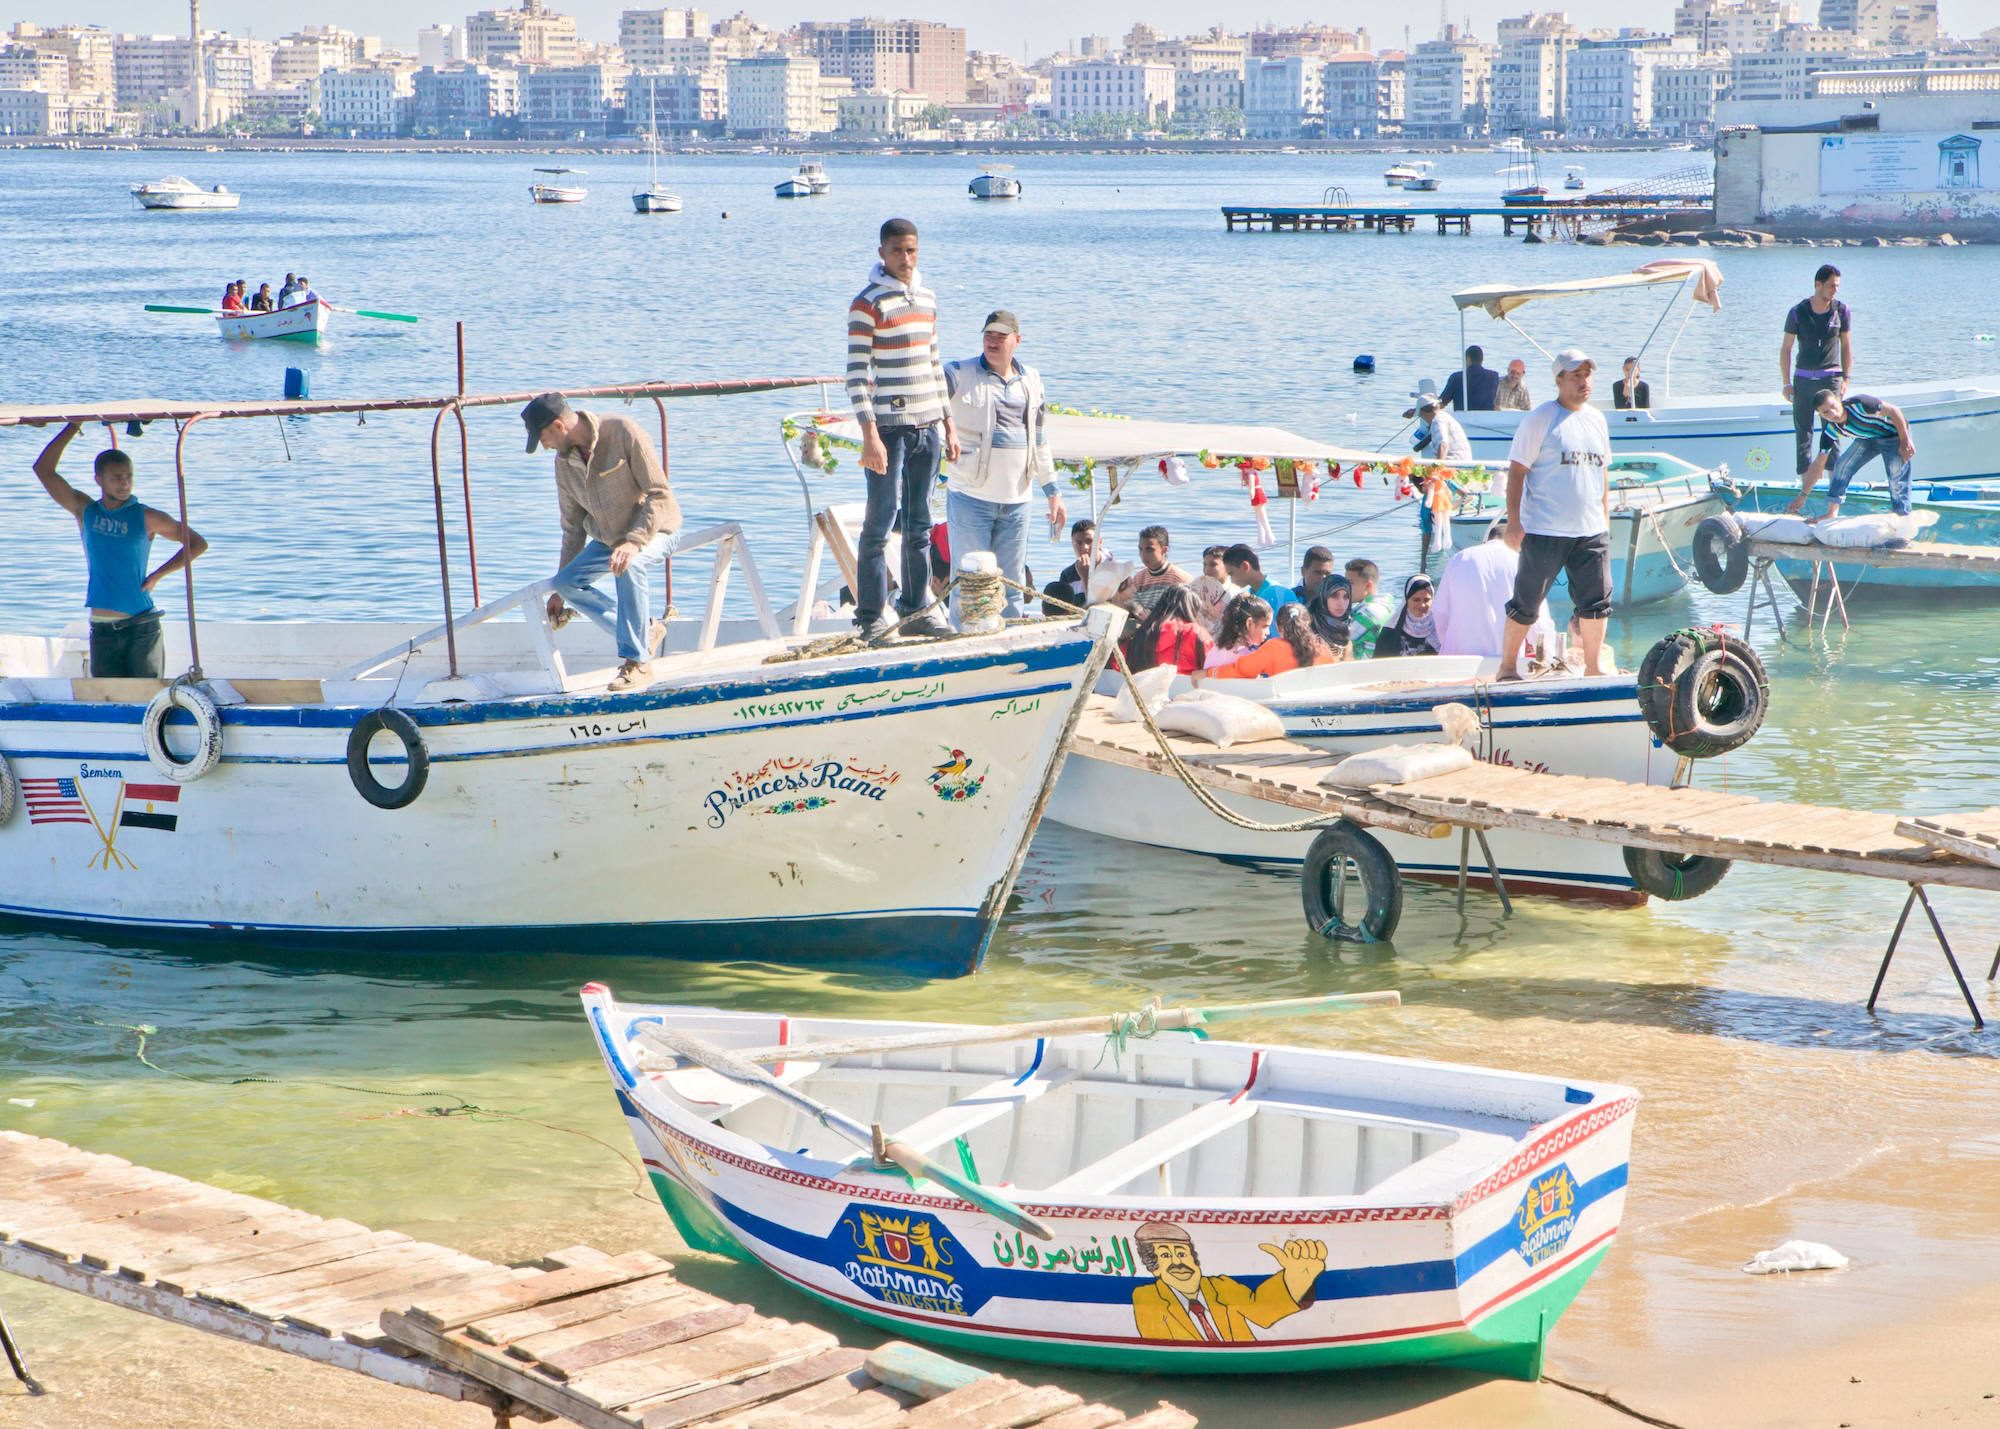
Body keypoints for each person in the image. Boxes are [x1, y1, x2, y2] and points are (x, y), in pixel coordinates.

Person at [523, 391, 681, 693]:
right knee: (568, 582)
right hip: (610, 539)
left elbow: (660, 495)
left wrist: (634, 542)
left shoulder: (622, 430)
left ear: (558, 426)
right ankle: (646, 632)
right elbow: (572, 529)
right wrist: (559, 592)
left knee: (628, 564)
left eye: (542, 438)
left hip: (657, 531)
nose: (544, 446)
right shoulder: (564, 464)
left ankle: (638, 663)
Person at [847, 217, 957, 640]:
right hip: (889, 431)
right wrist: (869, 434)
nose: (905, 258)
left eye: (911, 250)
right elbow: (856, 377)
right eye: (897, 251)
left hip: (928, 427)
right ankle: (871, 616)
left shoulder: (927, 299)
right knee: (879, 523)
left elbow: (933, 363)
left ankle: (917, 611)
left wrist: (948, 424)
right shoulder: (867, 304)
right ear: (882, 254)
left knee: (920, 524)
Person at [30, 422, 208, 679]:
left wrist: (158, 575)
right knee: (107, 698)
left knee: (146, 698)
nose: (124, 484)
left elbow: (197, 543)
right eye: (116, 477)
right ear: (98, 479)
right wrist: (74, 425)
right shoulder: (86, 510)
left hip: (141, 624)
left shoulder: (146, 516)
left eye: (129, 477)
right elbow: (43, 469)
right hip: (102, 627)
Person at [941, 309, 1063, 621]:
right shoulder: (958, 373)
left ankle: (1008, 648)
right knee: (968, 584)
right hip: (971, 497)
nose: (993, 342)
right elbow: (928, 394)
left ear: (1016, 341)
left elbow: (1041, 439)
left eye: (1001, 336)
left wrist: (1053, 491)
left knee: (1012, 586)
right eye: (988, 335)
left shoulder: (1032, 379)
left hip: (1018, 502)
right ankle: (961, 648)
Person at [1498, 348, 1612, 681]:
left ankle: (1593, 667)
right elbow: (1517, 471)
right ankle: (1507, 667)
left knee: (1596, 603)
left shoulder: (1597, 419)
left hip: (1590, 530)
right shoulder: (1541, 417)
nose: (1583, 381)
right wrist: (1514, 522)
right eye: (1575, 375)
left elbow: (1601, 472)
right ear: (1559, 379)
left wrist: (1604, 520)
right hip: (1545, 528)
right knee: (1526, 602)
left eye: (1587, 374)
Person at [1433, 519, 1553, 659]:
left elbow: (1440, 613)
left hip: (1458, 657)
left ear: (1487, 540)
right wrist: (1551, 657)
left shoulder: (1459, 558)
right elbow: (1539, 622)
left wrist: (1448, 644)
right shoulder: (1520, 564)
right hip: (1504, 660)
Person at [1790, 389, 1916, 521]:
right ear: (1821, 416)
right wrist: (1802, 495)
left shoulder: (1860, 404)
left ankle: (1902, 517)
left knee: (1897, 479)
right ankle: (1832, 513)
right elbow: (1819, 464)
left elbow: (1893, 410)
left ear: (1839, 401)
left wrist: (1905, 440)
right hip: (1869, 438)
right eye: (1826, 412)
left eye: (1834, 406)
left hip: (1895, 436)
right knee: (1842, 465)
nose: (1833, 413)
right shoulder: (1831, 430)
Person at [1779, 264, 1852, 485]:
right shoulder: (1797, 312)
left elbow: (1847, 346)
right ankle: (1806, 485)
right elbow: (1786, 349)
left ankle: (1834, 484)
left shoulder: (1842, 310)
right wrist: (1786, 383)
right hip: (1803, 379)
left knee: (1833, 430)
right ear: (1818, 285)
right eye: (1831, 286)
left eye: (1837, 286)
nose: (1835, 290)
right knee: (1804, 433)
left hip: (1830, 378)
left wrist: (1846, 378)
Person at [1199, 603, 1336, 680]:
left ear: (1278, 627)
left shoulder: (1273, 647)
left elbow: (1241, 670)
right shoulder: (1321, 649)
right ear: (1308, 623)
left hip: (1286, 703)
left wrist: (1208, 673)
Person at [1124, 585, 1211, 675]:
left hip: (1144, 687)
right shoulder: (1195, 632)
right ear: (1193, 609)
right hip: (1188, 687)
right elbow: (1211, 668)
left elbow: (1122, 666)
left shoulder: (1141, 632)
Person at [1221, 544, 1297, 637]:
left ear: (1245, 566)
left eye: (1232, 574)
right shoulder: (1250, 596)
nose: (1231, 580)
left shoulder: (1279, 594)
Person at [1115, 524, 1191, 615]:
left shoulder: (1180, 579)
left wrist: (1152, 620)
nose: (1143, 555)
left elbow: (1186, 615)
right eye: (1140, 549)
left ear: (1164, 550)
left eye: (1149, 550)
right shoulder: (1139, 578)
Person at [1043, 518, 1110, 612]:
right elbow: (1065, 610)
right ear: (1072, 545)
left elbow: (1101, 611)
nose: (1084, 547)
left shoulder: (1112, 567)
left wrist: (1086, 578)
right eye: (1078, 543)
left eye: (1089, 541)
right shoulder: (1068, 575)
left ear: (1099, 542)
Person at [1374, 574, 1439, 657]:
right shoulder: (1390, 632)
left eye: (1426, 600)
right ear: (1406, 600)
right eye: (1416, 600)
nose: (1422, 605)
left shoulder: (1440, 628)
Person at [1344, 558, 1394, 657]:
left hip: (1363, 670)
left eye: (1350, 583)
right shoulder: (1384, 606)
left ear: (1368, 586)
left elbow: (1338, 642)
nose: (1345, 587)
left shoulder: (1370, 613)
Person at [1303, 572, 1353, 657]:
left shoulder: (1347, 625)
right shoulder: (1307, 628)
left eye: (1346, 597)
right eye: (1334, 596)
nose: (1341, 603)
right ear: (1323, 597)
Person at [1438, 346, 1500, 414]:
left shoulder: (1456, 378)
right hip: (1486, 420)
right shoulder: (1493, 376)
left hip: (1463, 420)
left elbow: (1442, 403)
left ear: (1468, 358)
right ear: (1482, 359)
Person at [1412, 392, 1470, 463]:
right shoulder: (1445, 416)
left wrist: (1437, 468)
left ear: (1424, 413)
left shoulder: (1437, 420)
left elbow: (1443, 444)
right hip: (1462, 460)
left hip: (1455, 462)